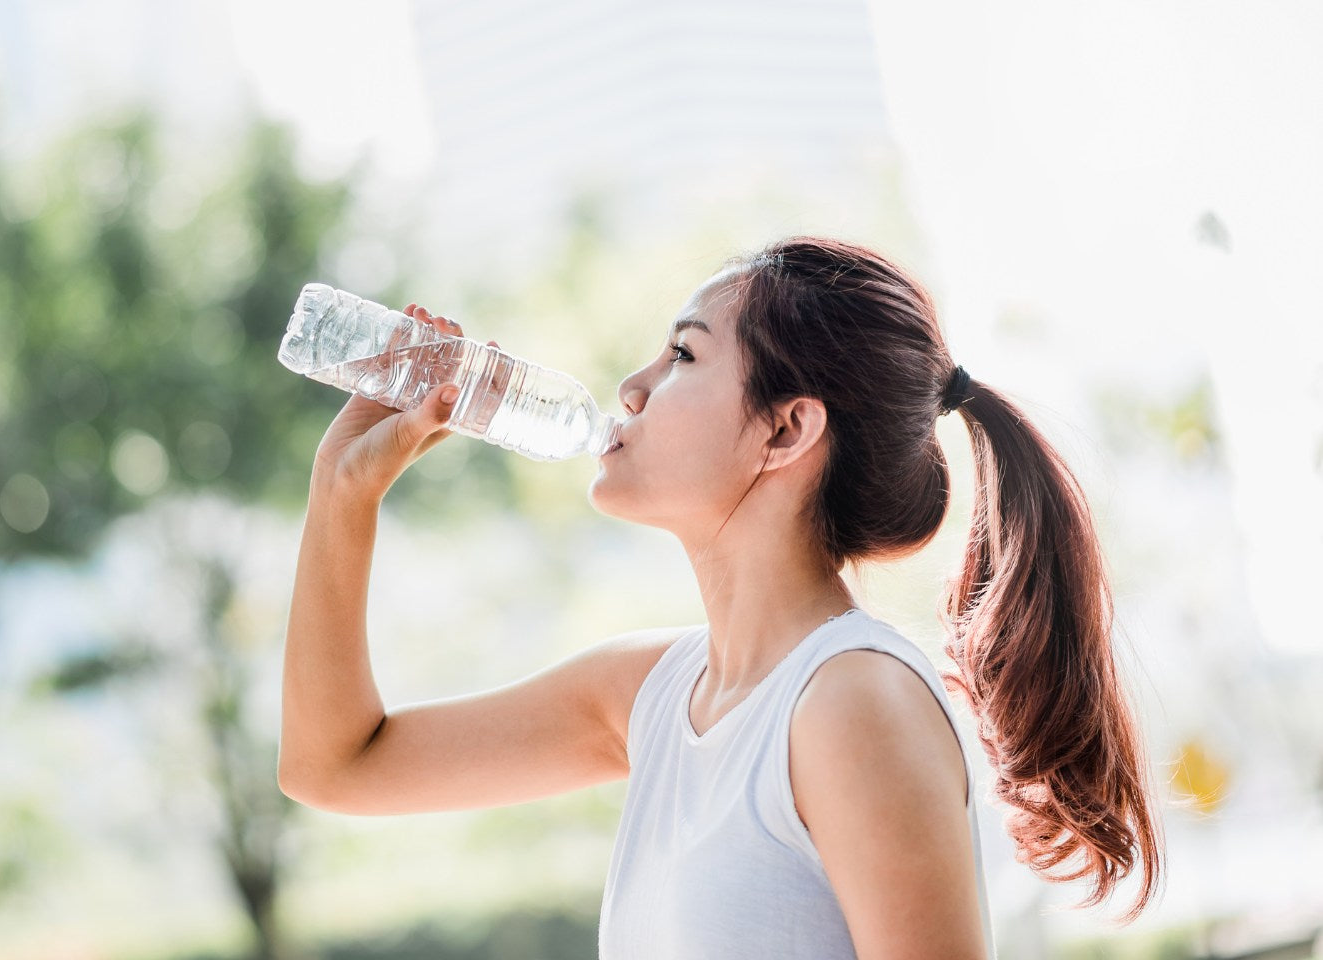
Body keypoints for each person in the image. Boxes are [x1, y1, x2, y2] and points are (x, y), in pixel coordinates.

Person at [278, 236, 1166, 959]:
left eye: (683, 354)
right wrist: (342, 491)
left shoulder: (853, 704)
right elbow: (335, 765)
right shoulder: (651, 695)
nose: (631, 387)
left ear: (786, 429)